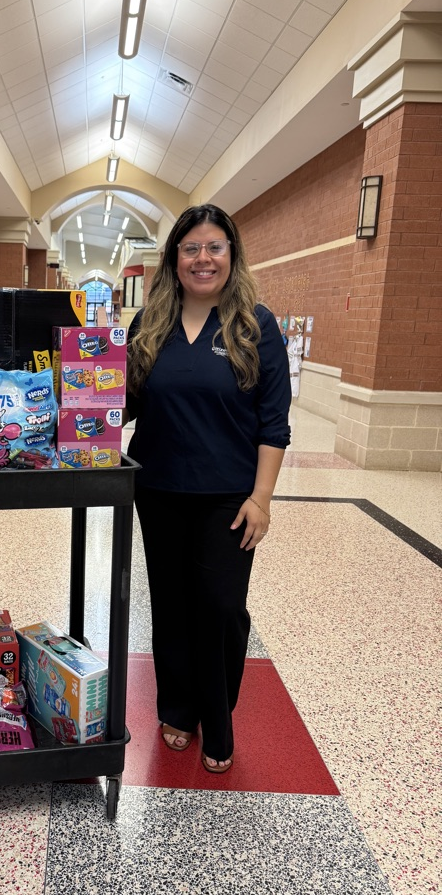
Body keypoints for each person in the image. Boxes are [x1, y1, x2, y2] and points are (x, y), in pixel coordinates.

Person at [125, 203, 291, 774]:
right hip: (159, 489)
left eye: (214, 247)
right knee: (171, 604)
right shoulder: (148, 325)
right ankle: (177, 708)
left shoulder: (256, 326)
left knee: (221, 608)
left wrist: (262, 498)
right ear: (174, 259)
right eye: (191, 248)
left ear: (231, 255)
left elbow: (274, 422)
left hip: (229, 497)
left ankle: (218, 717)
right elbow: (118, 406)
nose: (203, 258)